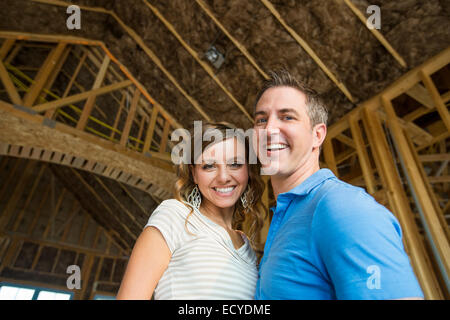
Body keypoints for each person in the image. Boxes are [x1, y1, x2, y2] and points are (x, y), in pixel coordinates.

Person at [252, 70, 424, 300]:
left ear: (317, 135)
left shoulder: (341, 207)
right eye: (261, 119)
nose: (269, 129)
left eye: (287, 117)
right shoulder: (288, 216)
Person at [117, 122, 265, 300]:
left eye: (235, 164)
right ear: (194, 174)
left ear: (248, 171)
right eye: (209, 166)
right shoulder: (174, 216)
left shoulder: (247, 247)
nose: (224, 177)